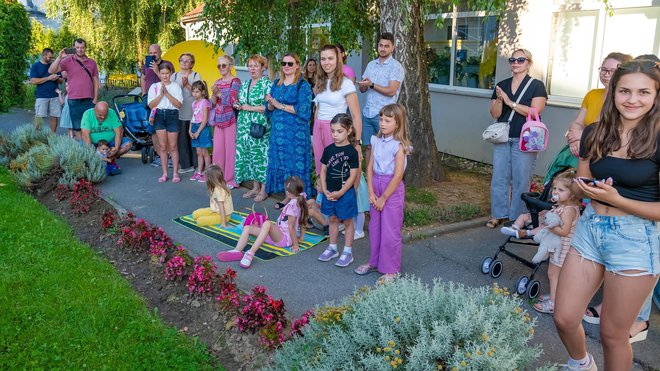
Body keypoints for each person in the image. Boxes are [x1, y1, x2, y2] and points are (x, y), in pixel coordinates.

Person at [553, 59, 660, 370]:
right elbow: (584, 180)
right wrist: (584, 188)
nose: (632, 99)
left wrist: (618, 199)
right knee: (564, 317)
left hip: (637, 238)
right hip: (590, 228)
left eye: (644, 92)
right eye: (624, 90)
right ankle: (581, 363)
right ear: (613, 91)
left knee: (613, 335)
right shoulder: (595, 131)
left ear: (656, 95)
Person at [501, 170, 581, 314]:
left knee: (553, 273)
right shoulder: (562, 206)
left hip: (562, 246)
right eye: (555, 188)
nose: (555, 192)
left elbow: (564, 231)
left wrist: (549, 226)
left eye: (561, 190)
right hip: (557, 244)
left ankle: (554, 303)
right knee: (555, 273)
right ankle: (555, 296)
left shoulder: (569, 210)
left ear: (573, 194)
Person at [486, 48, 548, 229]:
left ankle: (517, 217)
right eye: (512, 59)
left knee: (521, 179)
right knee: (499, 178)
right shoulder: (502, 84)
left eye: (521, 60)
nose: (515, 62)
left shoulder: (536, 85)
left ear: (528, 63)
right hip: (503, 137)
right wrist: (499, 100)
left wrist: (509, 101)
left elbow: (535, 111)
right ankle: (498, 214)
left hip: (526, 138)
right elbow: (495, 113)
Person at [354, 103, 411, 284]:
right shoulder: (376, 141)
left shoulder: (399, 146)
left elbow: (398, 175)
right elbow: (369, 168)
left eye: (388, 120)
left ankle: (391, 269)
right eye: (381, 119)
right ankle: (375, 262)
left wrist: (384, 198)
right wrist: (371, 192)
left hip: (391, 189)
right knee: (375, 228)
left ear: (398, 123)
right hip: (376, 184)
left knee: (390, 230)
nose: (383, 123)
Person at [217, 176, 308, 269]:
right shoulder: (299, 199)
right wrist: (301, 236)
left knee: (268, 223)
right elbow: (303, 219)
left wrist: (296, 244)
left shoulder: (292, 206)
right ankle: (237, 251)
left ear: (288, 192)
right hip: (276, 235)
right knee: (248, 227)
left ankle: (250, 253)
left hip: (284, 239)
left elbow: (291, 227)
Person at [265, 53, 314, 200]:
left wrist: (279, 105)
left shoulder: (302, 85)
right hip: (278, 133)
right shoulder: (277, 83)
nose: (286, 66)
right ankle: (287, 197)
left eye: (290, 64)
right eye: (284, 63)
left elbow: (304, 110)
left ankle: (299, 199)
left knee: (295, 165)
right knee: (282, 163)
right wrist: (270, 103)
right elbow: (269, 109)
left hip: (296, 134)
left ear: (297, 65)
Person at [565, 52, 633, 156]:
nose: (606, 74)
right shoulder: (592, 94)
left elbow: (613, 131)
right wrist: (574, 141)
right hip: (582, 146)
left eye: (612, 71)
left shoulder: (626, 100)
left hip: (608, 151)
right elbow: (577, 123)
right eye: (603, 69)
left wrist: (582, 136)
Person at [313, 44, 362, 181]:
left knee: (335, 168)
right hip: (318, 128)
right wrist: (315, 129)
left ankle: (338, 199)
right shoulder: (320, 82)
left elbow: (356, 115)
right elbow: (318, 108)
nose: (326, 62)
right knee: (320, 167)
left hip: (335, 129)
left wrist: (357, 143)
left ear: (337, 60)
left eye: (330, 58)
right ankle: (322, 198)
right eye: (323, 59)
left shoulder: (346, 83)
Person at [317, 113, 360, 268]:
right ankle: (332, 248)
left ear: (348, 131)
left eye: (339, 131)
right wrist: (325, 189)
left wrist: (341, 192)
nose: (335, 135)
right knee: (333, 219)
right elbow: (323, 171)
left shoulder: (352, 151)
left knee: (348, 221)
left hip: (345, 193)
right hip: (329, 193)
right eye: (333, 131)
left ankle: (347, 252)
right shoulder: (328, 149)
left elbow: (353, 175)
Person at [357, 32, 405, 170]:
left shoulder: (396, 67)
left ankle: (385, 176)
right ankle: (370, 177)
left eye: (386, 46)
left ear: (392, 48)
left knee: (386, 147)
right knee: (369, 147)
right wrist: (361, 85)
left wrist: (371, 84)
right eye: (380, 45)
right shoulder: (371, 64)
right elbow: (363, 89)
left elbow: (391, 91)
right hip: (368, 113)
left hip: (386, 115)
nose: (383, 49)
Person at [234, 55, 272, 202]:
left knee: (261, 157)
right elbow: (242, 102)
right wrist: (238, 105)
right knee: (249, 155)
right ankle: (254, 187)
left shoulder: (266, 84)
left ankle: (264, 190)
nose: (252, 69)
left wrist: (248, 107)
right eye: (250, 65)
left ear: (263, 67)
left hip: (259, 126)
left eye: (256, 65)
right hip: (244, 125)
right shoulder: (245, 84)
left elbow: (269, 106)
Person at [48, 39, 99, 140]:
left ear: (85, 48)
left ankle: (89, 149)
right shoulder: (68, 61)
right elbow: (51, 70)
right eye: (77, 48)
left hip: (89, 100)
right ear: (74, 48)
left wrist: (95, 99)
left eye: (82, 48)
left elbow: (96, 81)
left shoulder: (92, 62)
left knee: (90, 127)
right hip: (73, 99)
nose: (80, 50)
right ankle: (84, 149)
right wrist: (59, 57)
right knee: (77, 128)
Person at [147, 63, 183, 183]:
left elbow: (178, 104)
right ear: (159, 74)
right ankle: (165, 173)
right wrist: (161, 95)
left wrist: (167, 94)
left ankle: (176, 173)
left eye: (167, 73)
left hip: (172, 115)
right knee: (162, 146)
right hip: (159, 115)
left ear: (171, 73)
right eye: (162, 73)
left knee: (173, 146)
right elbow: (151, 105)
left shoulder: (176, 87)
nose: (165, 76)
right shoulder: (154, 86)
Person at [141, 44, 175, 168]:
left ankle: (170, 156)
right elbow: (143, 78)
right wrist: (144, 93)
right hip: (151, 100)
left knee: (166, 128)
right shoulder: (146, 65)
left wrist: (156, 69)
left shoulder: (168, 64)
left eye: (155, 52)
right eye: (150, 53)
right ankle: (160, 156)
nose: (152, 55)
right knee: (153, 129)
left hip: (165, 99)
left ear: (160, 52)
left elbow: (171, 80)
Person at [210, 55, 241, 189]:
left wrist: (218, 94)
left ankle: (231, 179)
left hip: (230, 119)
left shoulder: (235, 81)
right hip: (219, 120)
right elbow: (212, 103)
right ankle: (217, 178)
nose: (221, 68)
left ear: (230, 66)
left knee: (230, 150)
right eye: (219, 66)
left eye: (224, 65)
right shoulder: (217, 81)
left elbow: (232, 102)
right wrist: (213, 96)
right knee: (218, 150)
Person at [172, 52, 201, 173]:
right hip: (179, 112)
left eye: (187, 61)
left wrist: (187, 84)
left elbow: (198, 92)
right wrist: (180, 85)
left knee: (194, 139)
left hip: (194, 112)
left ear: (192, 64)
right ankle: (185, 165)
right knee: (182, 140)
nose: (184, 63)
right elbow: (172, 92)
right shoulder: (174, 76)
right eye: (182, 60)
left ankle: (197, 165)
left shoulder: (195, 75)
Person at [30, 48, 62, 133]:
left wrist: (57, 78)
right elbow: (33, 81)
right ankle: (36, 136)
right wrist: (48, 78)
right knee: (39, 117)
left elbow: (61, 80)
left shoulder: (54, 66)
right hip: (42, 96)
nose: (51, 59)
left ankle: (53, 136)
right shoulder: (36, 66)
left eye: (52, 57)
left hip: (54, 95)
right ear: (43, 56)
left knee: (54, 116)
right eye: (49, 57)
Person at [188, 81, 213, 182]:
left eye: (197, 91)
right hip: (194, 127)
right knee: (198, 152)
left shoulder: (205, 103)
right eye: (193, 91)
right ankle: (199, 171)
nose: (195, 94)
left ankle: (207, 173)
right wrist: (190, 129)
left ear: (202, 92)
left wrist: (198, 131)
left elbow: (205, 119)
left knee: (204, 152)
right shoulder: (194, 103)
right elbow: (193, 117)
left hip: (202, 129)